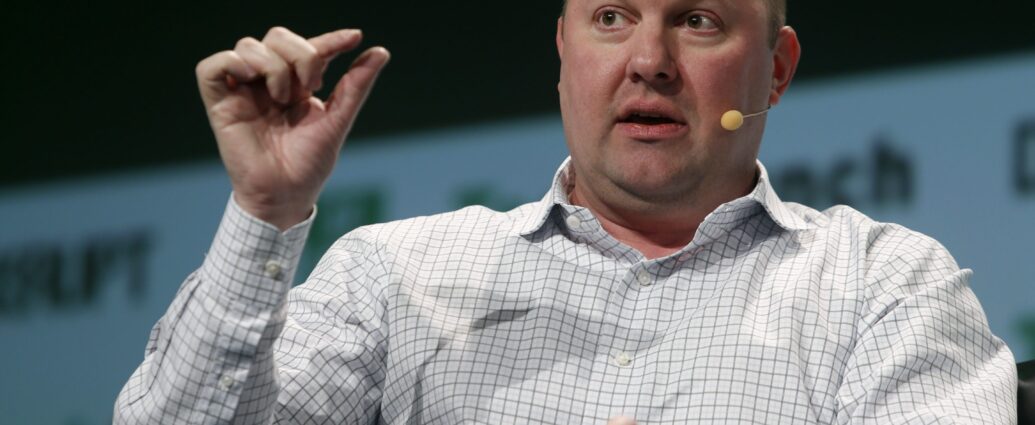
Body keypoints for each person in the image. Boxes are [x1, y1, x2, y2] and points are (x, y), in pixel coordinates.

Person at [114, 0, 1018, 423]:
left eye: (698, 21)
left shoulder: (882, 285)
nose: (648, 60)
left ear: (774, 70)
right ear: (563, 52)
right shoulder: (395, 277)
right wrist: (266, 209)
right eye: (611, 17)